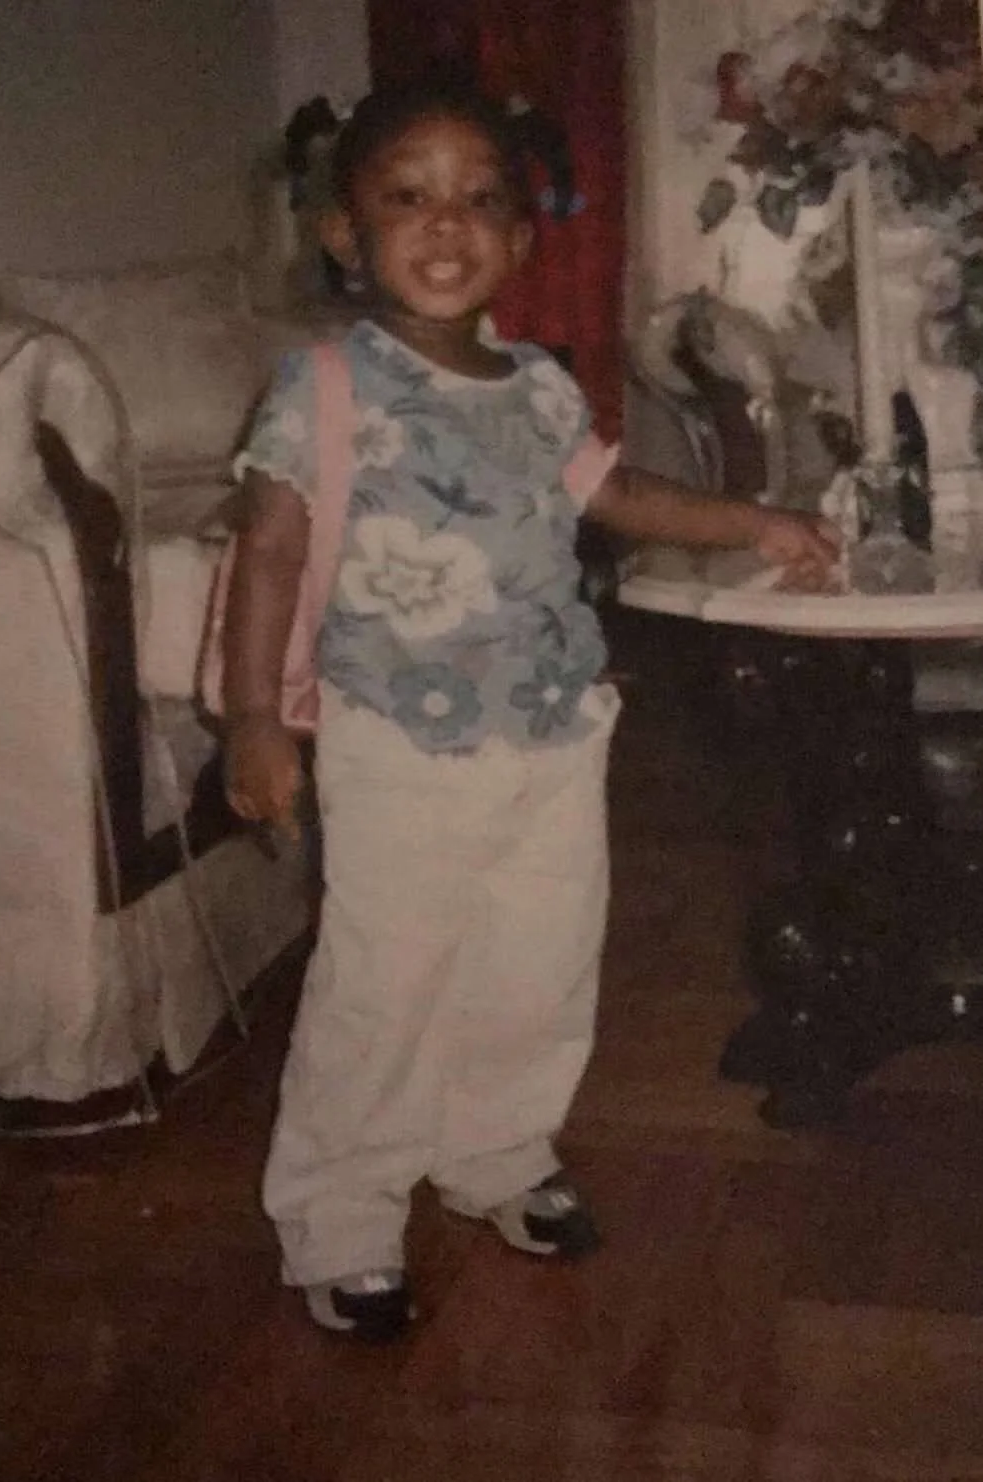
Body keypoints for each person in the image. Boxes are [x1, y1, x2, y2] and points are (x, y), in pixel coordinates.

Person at [219, 82, 840, 1342]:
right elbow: (271, 556)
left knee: (537, 963)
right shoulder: (326, 386)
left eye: (480, 199)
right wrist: (250, 718)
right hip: (400, 737)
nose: (445, 225)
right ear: (347, 233)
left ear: (518, 240)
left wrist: (759, 523)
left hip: (554, 731)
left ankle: (497, 1153)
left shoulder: (539, 390)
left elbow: (622, 498)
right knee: (384, 980)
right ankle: (343, 1214)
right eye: (408, 197)